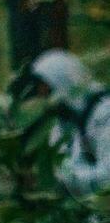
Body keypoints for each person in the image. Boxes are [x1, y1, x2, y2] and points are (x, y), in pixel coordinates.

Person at [29, 50, 110, 196]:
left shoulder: (105, 114)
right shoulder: (63, 122)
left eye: (46, 87)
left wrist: (63, 181)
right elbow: (62, 167)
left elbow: (107, 178)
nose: (42, 95)